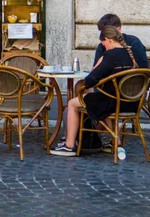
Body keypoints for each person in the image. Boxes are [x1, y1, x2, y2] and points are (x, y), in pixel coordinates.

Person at [50, 26, 138, 157]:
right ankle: (116, 143)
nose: (104, 48)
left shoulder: (110, 55)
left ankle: (69, 146)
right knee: (102, 104)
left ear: (107, 40)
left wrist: (99, 63)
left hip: (112, 102)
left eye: (103, 44)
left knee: (73, 103)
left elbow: (92, 78)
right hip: (130, 102)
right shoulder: (129, 54)